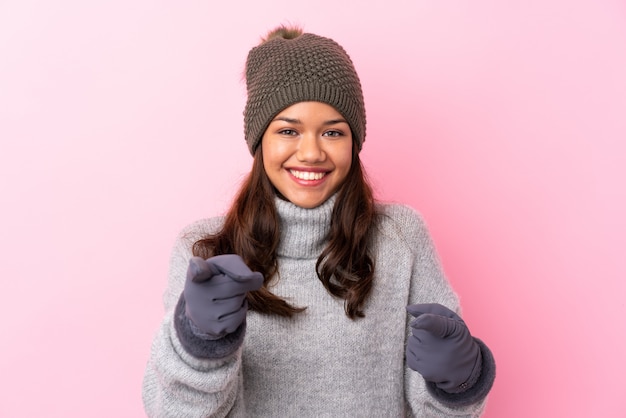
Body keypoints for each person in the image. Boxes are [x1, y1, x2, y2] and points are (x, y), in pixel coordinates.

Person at [142, 25, 496, 417]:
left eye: (332, 131)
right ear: (260, 142)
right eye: (288, 131)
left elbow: (445, 413)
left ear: (354, 142)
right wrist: (196, 344)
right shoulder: (204, 251)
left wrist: (459, 380)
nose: (311, 153)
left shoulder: (400, 238)